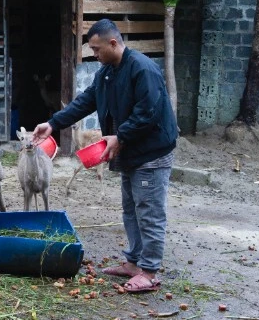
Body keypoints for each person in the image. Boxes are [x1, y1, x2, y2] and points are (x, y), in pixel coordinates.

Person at [32, 18, 178, 293]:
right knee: (131, 209)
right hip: (130, 151)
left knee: (149, 212)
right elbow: (85, 101)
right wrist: (52, 124)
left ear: (113, 43)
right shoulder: (107, 73)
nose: (95, 55)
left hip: (151, 153)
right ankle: (134, 263)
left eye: (97, 49)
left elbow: (148, 112)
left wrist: (120, 136)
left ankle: (149, 272)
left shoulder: (142, 69)